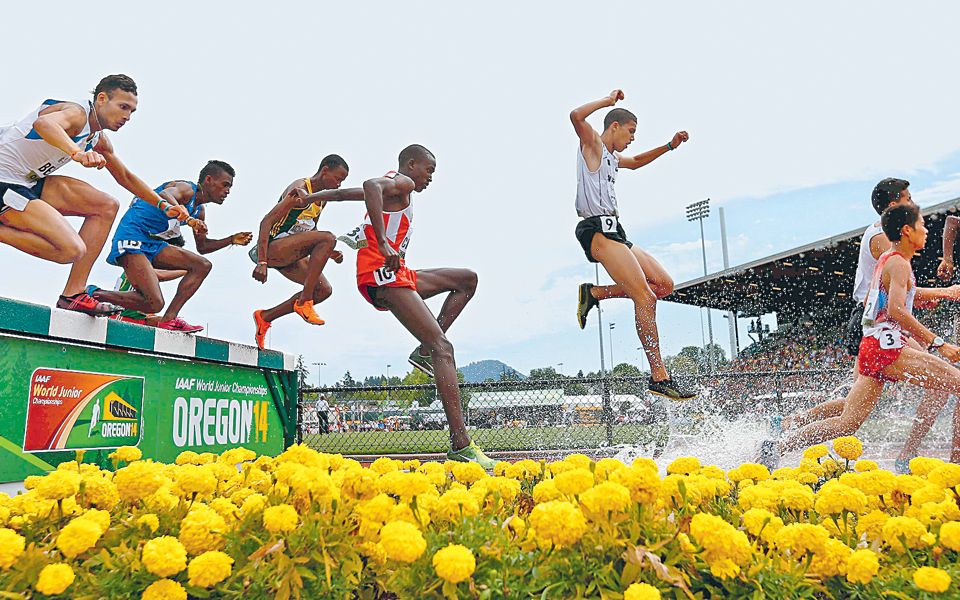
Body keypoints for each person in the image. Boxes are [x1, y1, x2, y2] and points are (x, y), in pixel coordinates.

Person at [762, 204, 960, 468]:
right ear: (906, 230)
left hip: (873, 346)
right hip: (888, 349)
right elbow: (897, 310)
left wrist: (939, 295)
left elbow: (884, 302)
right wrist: (939, 342)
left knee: (847, 422)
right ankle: (956, 464)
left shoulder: (887, 261)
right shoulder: (899, 264)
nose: (926, 230)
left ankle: (774, 448)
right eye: (922, 225)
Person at [0, 74, 191, 315]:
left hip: (28, 181)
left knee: (106, 205)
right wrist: (75, 153)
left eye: (132, 111)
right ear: (101, 99)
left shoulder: (97, 138)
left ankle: (72, 295)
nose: (127, 117)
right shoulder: (77, 113)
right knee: (71, 251)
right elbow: (44, 124)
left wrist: (163, 205)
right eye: (123, 107)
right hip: (4, 179)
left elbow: (126, 177)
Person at [357, 144, 492, 468]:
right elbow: (368, 187)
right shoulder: (400, 182)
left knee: (466, 280)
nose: (431, 177)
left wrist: (316, 197)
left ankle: (422, 351)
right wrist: (385, 241)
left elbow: (358, 191)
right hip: (383, 275)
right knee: (443, 348)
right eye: (429, 170)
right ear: (412, 164)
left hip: (398, 273)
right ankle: (461, 445)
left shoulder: (395, 189)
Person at [570, 89, 695, 400]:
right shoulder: (593, 146)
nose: (633, 138)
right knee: (645, 298)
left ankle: (595, 293)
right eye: (631, 131)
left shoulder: (612, 157)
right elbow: (575, 116)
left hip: (617, 231)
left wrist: (669, 146)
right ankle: (659, 376)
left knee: (663, 285)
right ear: (615, 126)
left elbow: (637, 161)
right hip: (596, 230)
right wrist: (607, 101)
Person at [90, 161, 251, 332]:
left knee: (202, 266)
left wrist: (231, 239)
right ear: (209, 180)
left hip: (151, 243)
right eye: (225, 185)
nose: (227, 191)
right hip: (132, 235)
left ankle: (168, 320)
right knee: (155, 303)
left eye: (230, 187)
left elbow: (203, 247)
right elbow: (166, 194)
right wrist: (186, 216)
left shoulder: (199, 211)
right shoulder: (187, 189)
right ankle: (93, 293)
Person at [250, 155, 364, 349]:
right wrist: (262, 262)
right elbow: (266, 222)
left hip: (291, 252)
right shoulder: (300, 189)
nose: (338, 185)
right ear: (325, 170)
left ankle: (265, 317)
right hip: (271, 248)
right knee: (328, 237)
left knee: (324, 290)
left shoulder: (321, 200)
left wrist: (328, 252)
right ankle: (304, 302)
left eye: (342, 182)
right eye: (337, 179)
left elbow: (311, 230)